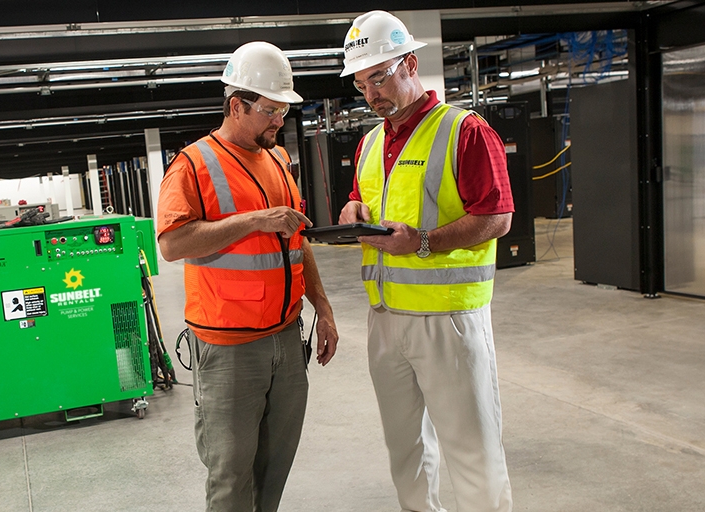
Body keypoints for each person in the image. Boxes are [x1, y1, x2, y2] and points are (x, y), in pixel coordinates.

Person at [336, 11, 514, 512]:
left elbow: (497, 217)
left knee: (471, 450)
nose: (372, 93)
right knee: (405, 451)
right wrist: (354, 211)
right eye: (362, 83)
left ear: (410, 63)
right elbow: (361, 199)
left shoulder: (465, 131)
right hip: (385, 317)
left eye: (380, 76)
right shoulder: (371, 142)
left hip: (448, 319)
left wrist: (422, 242)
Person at [155, 41, 340, 512]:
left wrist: (324, 306)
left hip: (285, 338)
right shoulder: (192, 165)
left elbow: (296, 240)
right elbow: (173, 245)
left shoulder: (278, 160)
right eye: (271, 110)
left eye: (283, 110)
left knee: (274, 466)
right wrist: (256, 221)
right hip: (227, 349)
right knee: (231, 471)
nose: (279, 120)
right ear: (237, 106)